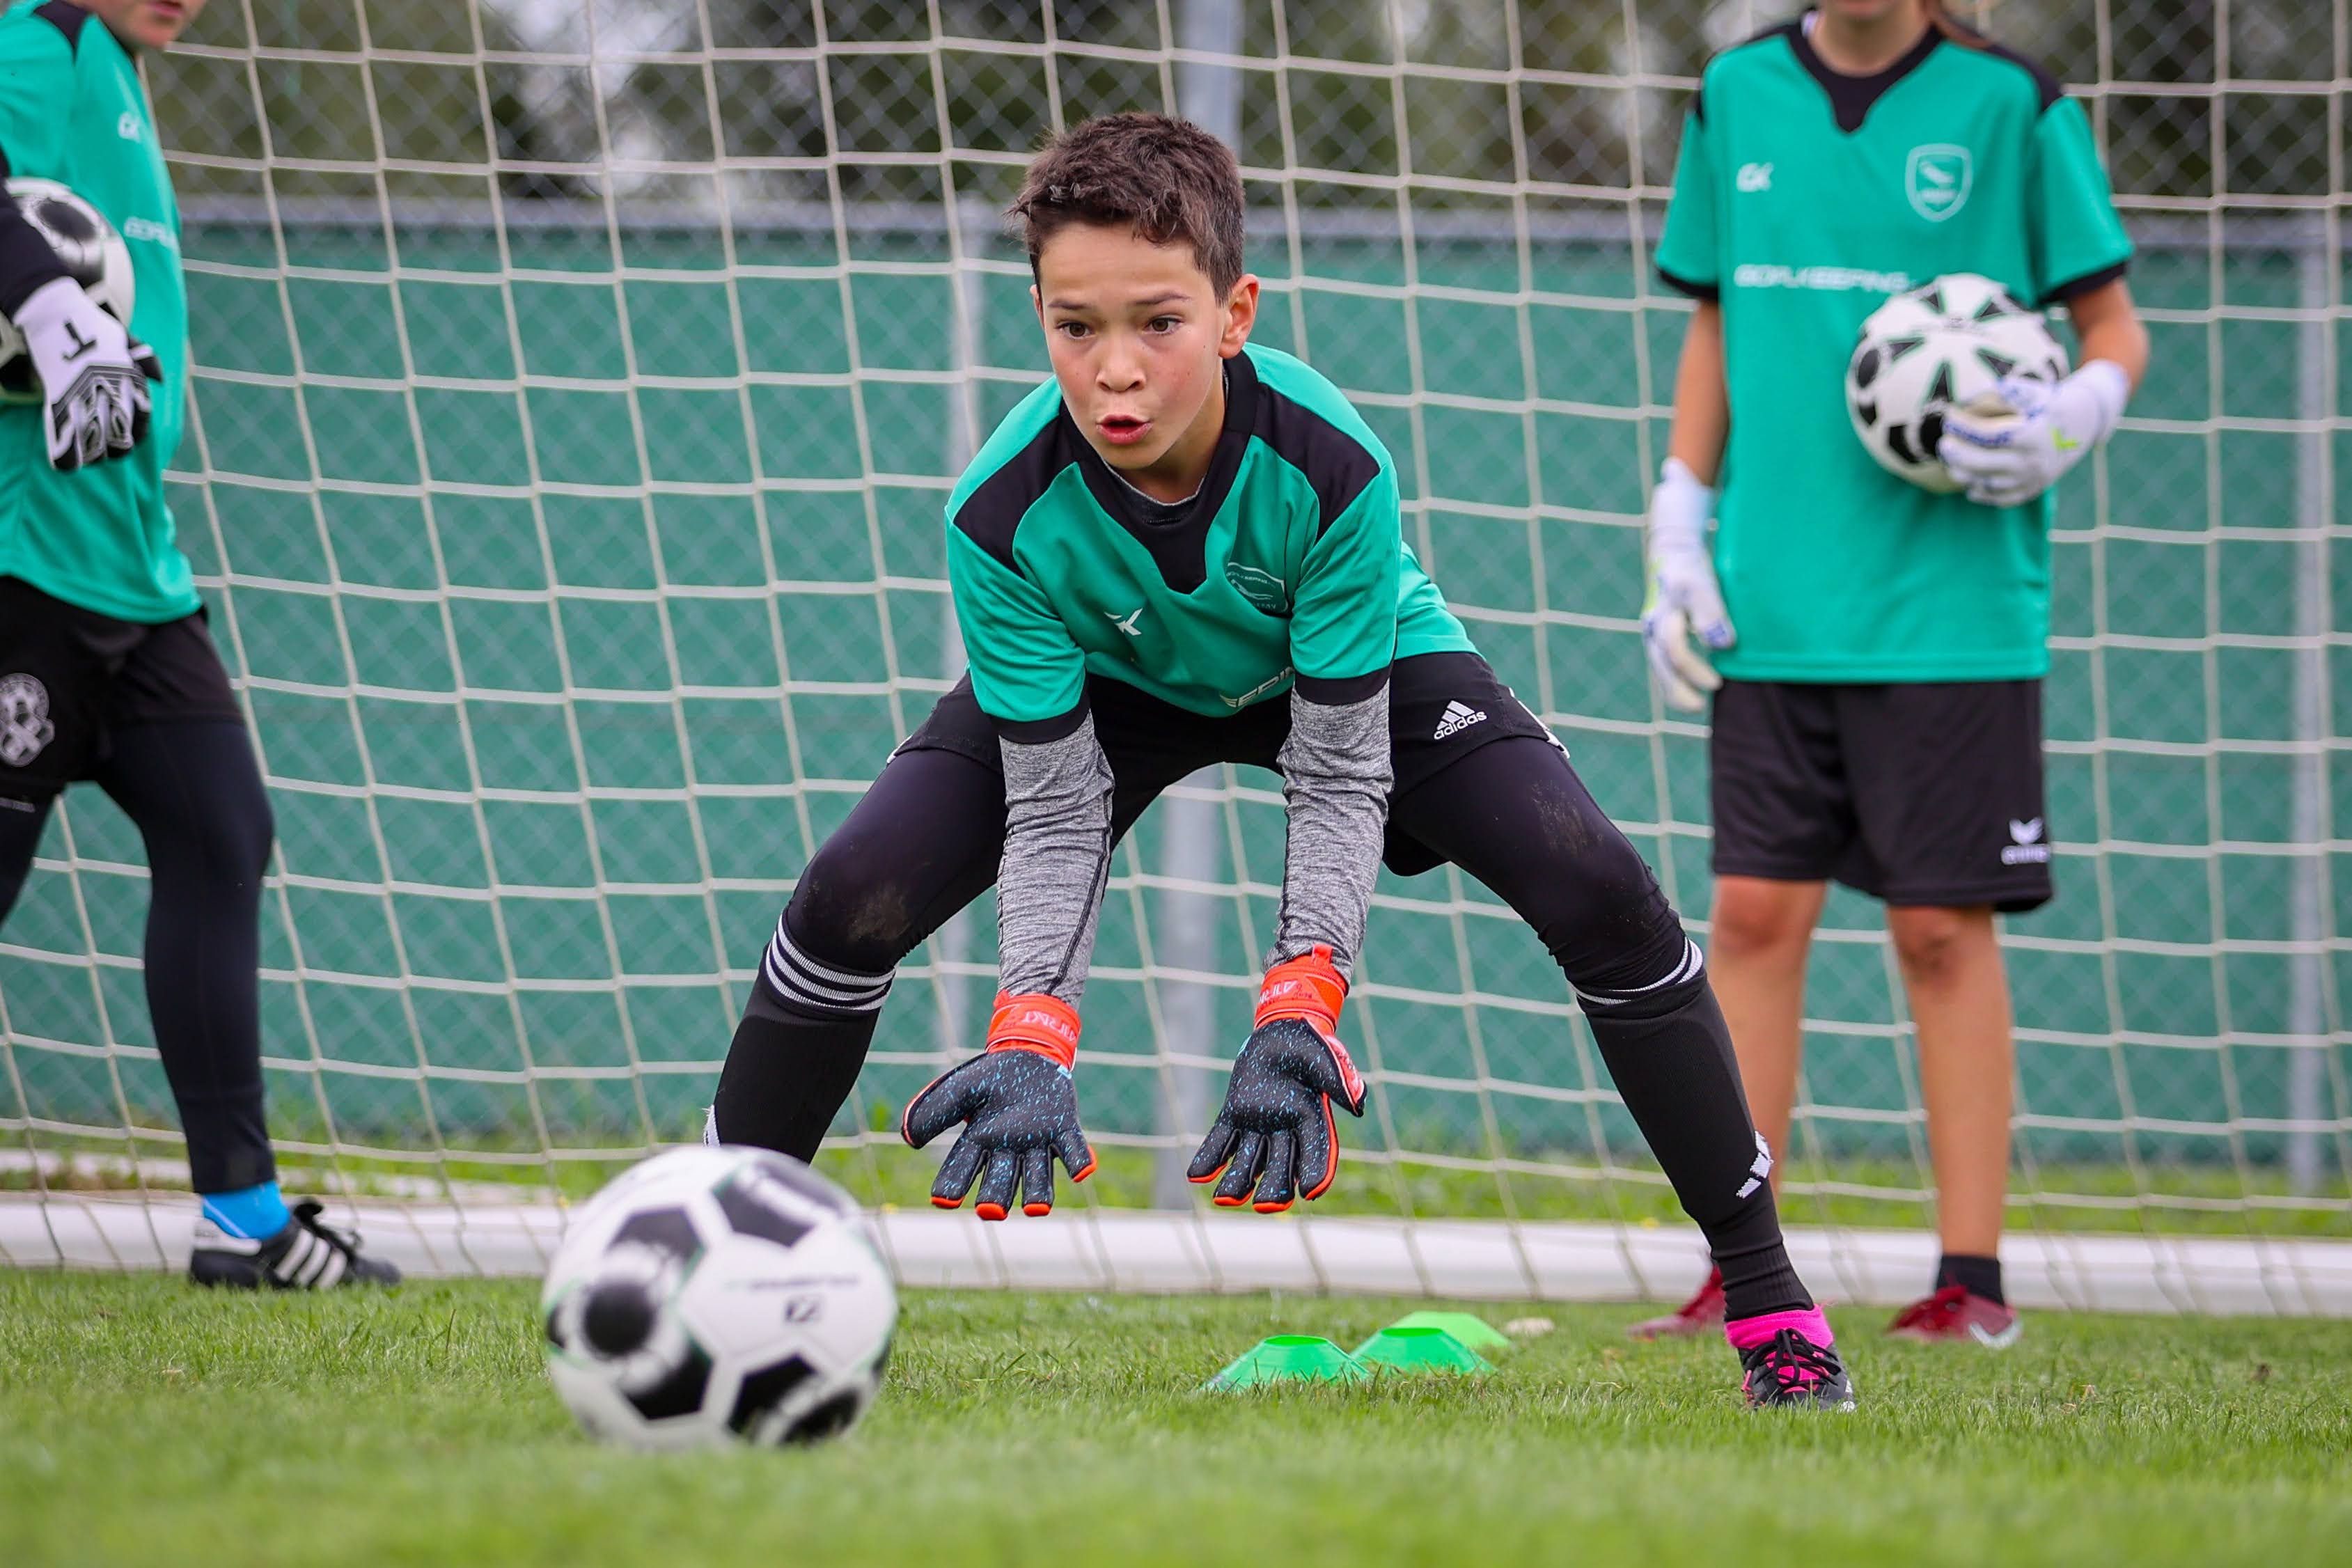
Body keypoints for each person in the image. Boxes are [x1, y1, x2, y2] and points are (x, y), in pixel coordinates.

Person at [711, 111, 1853, 1408]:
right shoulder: (999, 510)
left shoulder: (1329, 461)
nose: (1115, 370)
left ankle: (1770, 1303)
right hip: (1113, 682)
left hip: (1347, 674)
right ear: (1038, 316)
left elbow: (1340, 771)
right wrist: (1032, 1026)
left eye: (1159, 322)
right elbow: (1056, 808)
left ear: (1234, 313)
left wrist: (1298, 1003)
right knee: (848, 892)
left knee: (1595, 883)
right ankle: (709, 1247)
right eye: (1075, 327)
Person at [1633, 0, 2147, 1345]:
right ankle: (1742, 1269)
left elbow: (2114, 328)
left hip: (1951, 606)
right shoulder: (1735, 93)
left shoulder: (2012, 104)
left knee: (1937, 932)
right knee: (1751, 917)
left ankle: (1971, 1282)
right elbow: (1716, 320)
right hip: (1773, 594)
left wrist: (2071, 417)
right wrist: (1681, 513)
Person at [0, 0, 396, 1288]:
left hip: (139, 576)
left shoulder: (114, 64)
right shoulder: (36, 36)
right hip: (21, 562)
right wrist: (48, 311)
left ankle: (242, 1219)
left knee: (222, 835)